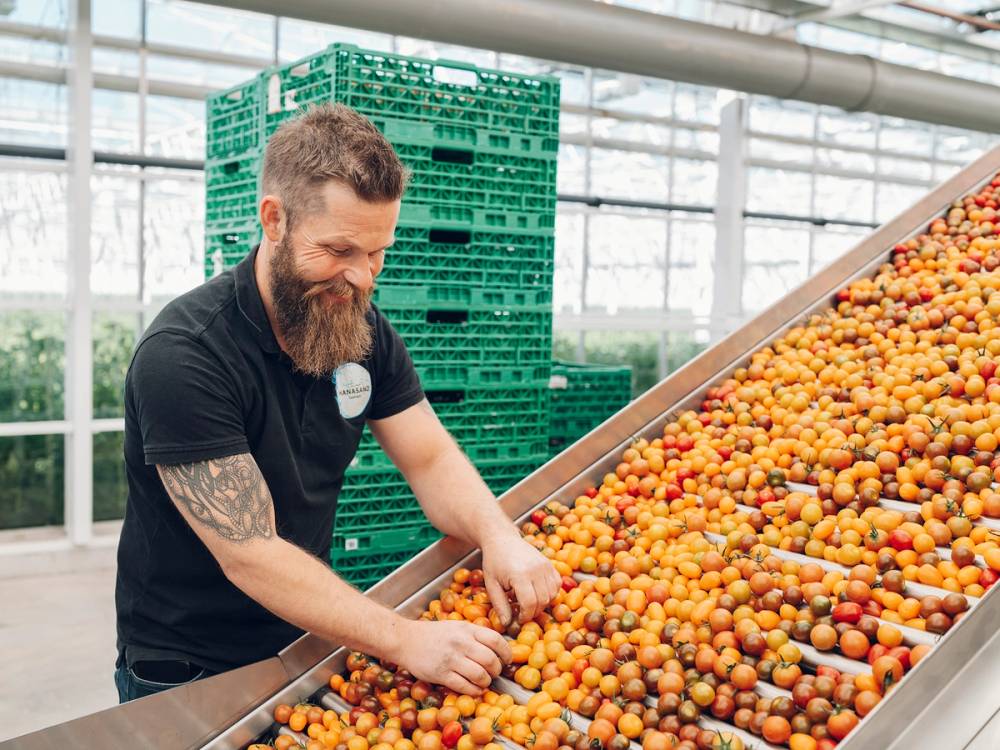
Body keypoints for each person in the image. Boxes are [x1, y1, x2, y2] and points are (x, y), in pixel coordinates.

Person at [114, 103, 561, 703]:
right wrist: (403, 639)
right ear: (274, 219)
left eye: (377, 253)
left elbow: (427, 456)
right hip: (190, 665)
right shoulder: (185, 355)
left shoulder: (357, 325)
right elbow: (251, 553)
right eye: (339, 250)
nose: (362, 277)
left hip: (309, 633)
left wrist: (497, 534)